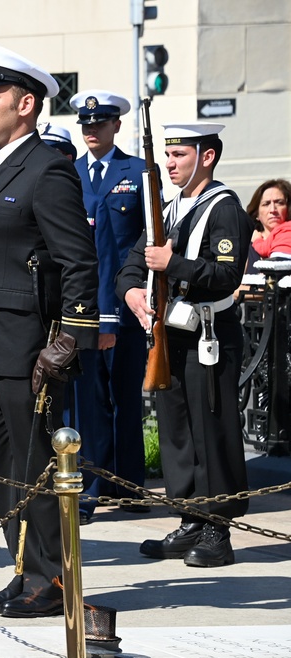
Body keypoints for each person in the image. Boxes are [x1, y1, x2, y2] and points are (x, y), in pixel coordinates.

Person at [0, 46, 99, 617]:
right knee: (1, 467)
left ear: (27, 104)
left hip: (25, 345)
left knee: (36, 461)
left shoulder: (48, 168)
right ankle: (25, 567)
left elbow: (78, 262)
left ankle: (55, 580)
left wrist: (67, 340)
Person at [119, 122, 251, 567]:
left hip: (208, 333)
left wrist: (174, 263)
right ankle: (190, 516)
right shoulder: (170, 207)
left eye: (180, 155)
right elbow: (134, 262)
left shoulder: (224, 207)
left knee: (211, 429)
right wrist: (132, 290)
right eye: (169, 156)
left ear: (206, 156)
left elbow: (227, 274)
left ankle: (218, 529)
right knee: (177, 431)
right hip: (170, 335)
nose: (170, 164)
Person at [68, 89, 149, 524]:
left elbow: (146, 237)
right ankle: (91, 487)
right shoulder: (68, 173)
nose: (91, 130)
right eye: (85, 124)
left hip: (126, 305)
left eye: (99, 123)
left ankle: (130, 485)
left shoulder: (137, 172)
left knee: (125, 399)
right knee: (88, 403)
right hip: (82, 308)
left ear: (116, 125)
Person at [243, 179, 291, 273]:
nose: (273, 210)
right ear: (256, 213)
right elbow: (233, 286)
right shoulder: (245, 246)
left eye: (279, 203)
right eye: (266, 204)